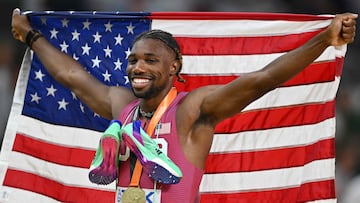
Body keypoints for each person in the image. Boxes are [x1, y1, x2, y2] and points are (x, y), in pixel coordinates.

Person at [11, 8, 357, 203]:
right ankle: (125, 142)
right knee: (119, 119)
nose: (137, 68)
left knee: (126, 126)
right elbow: (72, 77)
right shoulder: (122, 102)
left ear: (174, 66)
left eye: (149, 60)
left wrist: (323, 39)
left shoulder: (193, 109)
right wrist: (31, 36)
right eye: (132, 60)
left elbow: (262, 79)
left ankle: (134, 143)